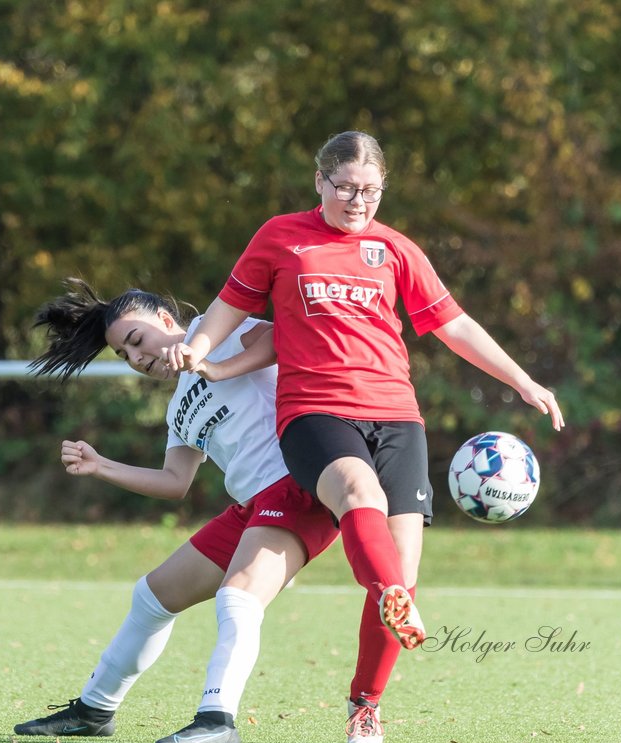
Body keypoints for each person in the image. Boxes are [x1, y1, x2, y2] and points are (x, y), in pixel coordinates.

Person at [166, 130, 565, 690]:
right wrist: (198, 349)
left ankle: (366, 703)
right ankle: (389, 596)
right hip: (315, 413)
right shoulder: (281, 237)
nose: (358, 201)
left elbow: (454, 324)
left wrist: (522, 381)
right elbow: (227, 307)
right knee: (360, 494)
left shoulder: (396, 249)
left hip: (397, 416)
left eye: (371, 191)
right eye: (346, 188)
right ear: (319, 181)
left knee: (404, 567)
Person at [13, 278, 403, 743]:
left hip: (300, 487)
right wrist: (102, 466)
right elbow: (175, 482)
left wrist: (214, 363)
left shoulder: (225, 331)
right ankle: (96, 709)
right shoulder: (179, 406)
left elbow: (287, 339)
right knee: (152, 597)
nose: (137, 359)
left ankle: (217, 719)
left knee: (237, 598)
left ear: (164, 319)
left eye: (136, 341)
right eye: (124, 355)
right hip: (252, 505)